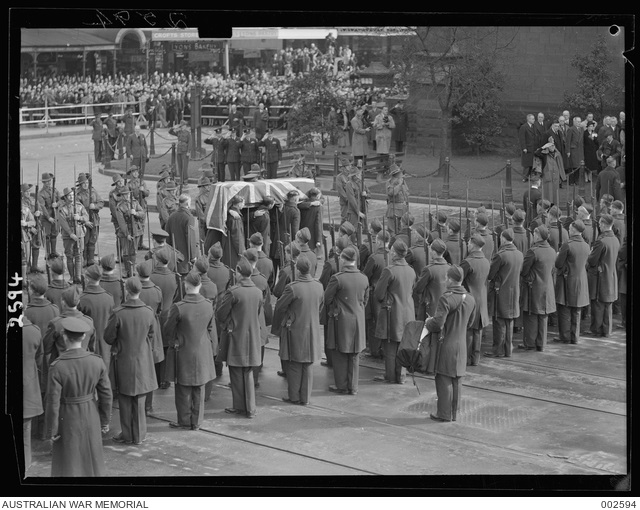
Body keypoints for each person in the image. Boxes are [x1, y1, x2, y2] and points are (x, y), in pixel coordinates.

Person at [45, 317, 112, 477]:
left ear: (65, 337)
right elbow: (106, 395)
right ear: (83, 337)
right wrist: (104, 421)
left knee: (68, 463)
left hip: (66, 417)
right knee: (93, 460)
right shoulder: (97, 362)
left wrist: (52, 431)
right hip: (91, 414)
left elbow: (52, 403)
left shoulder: (57, 366)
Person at [104, 276, 158, 445]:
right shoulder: (148, 312)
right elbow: (151, 333)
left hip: (124, 360)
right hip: (143, 360)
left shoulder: (119, 313)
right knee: (140, 399)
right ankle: (140, 434)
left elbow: (108, 337)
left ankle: (127, 434)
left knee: (125, 399)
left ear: (126, 291)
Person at [164, 272, 216, 430]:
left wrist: (175, 340)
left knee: (183, 388)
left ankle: (184, 420)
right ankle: (196, 421)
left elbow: (168, 329)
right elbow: (211, 328)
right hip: (202, 351)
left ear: (186, 286)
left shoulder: (179, 307)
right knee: (199, 387)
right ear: (199, 285)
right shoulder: (208, 304)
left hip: (183, 351)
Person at [425, 265, 476, 422]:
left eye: (447, 277)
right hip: (461, 343)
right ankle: (455, 412)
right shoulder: (471, 299)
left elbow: (438, 324)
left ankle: (444, 413)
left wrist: (428, 321)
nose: (445, 280)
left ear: (452, 280)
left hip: (446, 343)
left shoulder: (446, 298)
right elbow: (471, 322)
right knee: (457, 379)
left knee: (444, 377)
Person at [272, 255, 324, 405]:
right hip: (312, 328)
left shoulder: (293, 288)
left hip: (295, 329)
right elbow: (321, 305)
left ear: (298, 270)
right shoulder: (318, 286)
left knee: (294, 363)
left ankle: (294, 396)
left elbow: (280, 306)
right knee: (308, 364)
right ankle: (305, 397)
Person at [217, 256, 263, 419]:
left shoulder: (233, 292)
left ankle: (239, 406)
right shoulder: (258, 292)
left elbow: (220, 314)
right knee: (249, 372)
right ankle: (250, 408)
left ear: (238, 272)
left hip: (236, 335)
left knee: (236, 372)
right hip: (252, 337)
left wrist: (228, 322)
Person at [323, 246, 369, 395]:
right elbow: (365, 300)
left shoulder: (337, 278)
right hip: (358, 319)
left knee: (340, 353)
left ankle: (342, 385)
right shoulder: (363, 278)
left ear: (343, 259)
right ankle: (353, 386)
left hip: (341, 320)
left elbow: (327, 298)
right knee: (355, 354)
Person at [373, 240, 415, 385]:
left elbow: (378, 294)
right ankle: (401, 375)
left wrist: (387, 299)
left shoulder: (389, 270)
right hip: (407, 312)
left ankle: (391, 376)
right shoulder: (411, 270)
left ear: (394, 253)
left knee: (390, 347)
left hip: (392, 312)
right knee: (402, 345)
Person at [484, 228, 523, 358]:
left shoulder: (501, 255)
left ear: (504, 238)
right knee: (509, 321)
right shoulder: (519, 254)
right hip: (514, 291)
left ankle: (498, 349)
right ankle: (507, 348)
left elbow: (490, 274)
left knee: (499, 321)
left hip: (500, 292)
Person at [518, 224, 556, 352]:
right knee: (543, 316)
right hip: (547, 287)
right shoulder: (551, 250)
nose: (533, 237)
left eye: (534, 234)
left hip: (533, 287)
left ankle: (530, 343)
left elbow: (524, 270)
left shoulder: (533, 251)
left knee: (531, 316)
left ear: (538, 236)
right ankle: (541, 343)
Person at [552, 219, 590, 345]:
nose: (568, 230)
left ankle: (565, 336)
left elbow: (558, 264)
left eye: (570, 229)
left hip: (567, 280)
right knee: (576, 310)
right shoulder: (586, 245)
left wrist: (558, 255)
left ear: (574, 230)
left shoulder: (567, 245)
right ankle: (575, 336)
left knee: (564, 310)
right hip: (581, 280)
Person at [584, 214, 620, 338]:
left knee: (598, 305)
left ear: (604, 224)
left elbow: (592, 260)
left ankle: (596, 329)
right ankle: (606, 329)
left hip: (600, 277)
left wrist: (589, 256)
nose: (599, 225)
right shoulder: (615, 239)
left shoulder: (601, 241)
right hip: (611, 276)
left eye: (600, 223)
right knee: (607, 306)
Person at [77, 264, 115, 373]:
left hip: (88, 342)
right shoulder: (109, 297)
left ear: (88, 278)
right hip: (105, 343)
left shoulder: (83, 299)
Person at [460, 235, 490, 366]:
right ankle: (475, 358)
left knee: (467, 329)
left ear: (472, 245)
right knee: (477, 329)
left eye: (468, 243)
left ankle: (465, 358)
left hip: (469, 298)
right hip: (482, 298)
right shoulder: (486, 261)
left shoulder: (467, 262)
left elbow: (458, 279)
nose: (467, 245)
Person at [22, 316, 43, 472]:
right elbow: (39, 357)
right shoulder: (34, 331)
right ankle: (25, 461)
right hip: (27, 385)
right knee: (25, 429)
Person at [57, 186, 89, 284]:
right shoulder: (62, 209)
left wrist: (79, 218)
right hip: (68, 236)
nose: (71, 197)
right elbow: (63, 222)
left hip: (79, 234)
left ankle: (78, 276)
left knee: (79, 255)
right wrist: (71, 234)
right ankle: (71, 277)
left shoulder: (79, 206)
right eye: (69, 196)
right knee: (70, 256)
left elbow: (86, 217)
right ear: (65, 198)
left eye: (72, 195)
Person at [414, 238, 450, 323]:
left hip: (430, 308)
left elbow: (418, 289)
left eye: (430, 249)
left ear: (434, 252)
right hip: (445, 307)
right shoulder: (449, 268)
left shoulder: (429, 269)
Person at [113, 185, 144, 278]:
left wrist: (136, 213)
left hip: (136, 230)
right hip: (125, 232)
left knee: (134, 251)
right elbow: (121, 222)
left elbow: (142, 213)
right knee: (126, 252)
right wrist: (127, 234)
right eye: (124, 195)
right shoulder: (120, 207)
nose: (126, 196)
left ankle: (132, 269)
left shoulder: (135, 203)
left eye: (127, 194)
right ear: (121, 196)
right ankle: (127, 270)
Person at [166, 194, 198, 276]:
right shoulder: (189, 217)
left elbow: (167, 236)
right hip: (185, 256)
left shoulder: (172, 216)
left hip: (173, 254)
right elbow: (191, 239)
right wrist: (193, 256)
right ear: (188, 204)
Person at [75, 173, 103, 267]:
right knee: (85, 240)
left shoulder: (93, 191)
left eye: (87, 183)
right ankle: (85, 259)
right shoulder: (77, 195)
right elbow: (77, 210)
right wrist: (85, 221)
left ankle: (91, 259)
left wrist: (95, 206)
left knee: (93, 239)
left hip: (94, 218)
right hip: (83, 221)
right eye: (83, 183)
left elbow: (101, 202)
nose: (86, 185)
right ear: (80, 184)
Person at [37, 172, 61, 257]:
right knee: (47, 236)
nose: (49, 183)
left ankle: (53, 252)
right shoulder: (41, 193)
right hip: (46, 218)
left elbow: (61, 200)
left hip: (55, 216)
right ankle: (47, 254)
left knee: (54, 234)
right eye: (46, 181)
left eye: (49, 181)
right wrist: (48, 217)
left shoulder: (55, 190)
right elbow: (42, 207)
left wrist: (57, 204)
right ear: (43, 182)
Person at [127, 166, 149, 251]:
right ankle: (135, 243)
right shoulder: (129, 184)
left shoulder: (142, 182)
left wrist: (143, 190)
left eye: (136, 171)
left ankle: (141, 243)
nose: (136, 173)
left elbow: (147, 193)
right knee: (135, 225)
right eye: (133, 172)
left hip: (142, 205)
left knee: (142, 225)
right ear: (131, 174)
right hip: (134, 206)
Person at [373, 105, 396, 179]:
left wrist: (388, 124)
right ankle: (379, 170)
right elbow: (374, 126)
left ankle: (386, 169)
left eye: (387, 110)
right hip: (380, 137)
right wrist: (381, 124)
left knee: (386, 153)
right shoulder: (377, 117)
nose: (386, 111)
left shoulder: (390, 117)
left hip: (387, 138)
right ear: (382, 110)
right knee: (380, 154)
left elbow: (393, 125)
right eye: (385, 110)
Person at [385, 165, 409, 235]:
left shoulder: (402, 181)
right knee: (392, 231)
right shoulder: (389, 182)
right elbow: (392, 193)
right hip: (393, 208)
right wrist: (399, 185)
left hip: (402, 208)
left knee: (402, 230)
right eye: (399, 173)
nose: (401, 175)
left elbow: (406, 193)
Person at [169, 120, 193, 185]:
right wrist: (174, 127)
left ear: (185, 126)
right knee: (180, 166)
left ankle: (185, 179)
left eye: (183, 126)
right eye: (181, 126)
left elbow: (190, 143)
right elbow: (170, 132)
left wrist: (188, 151)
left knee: (184, 166)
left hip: (185, 151)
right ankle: (181, 179)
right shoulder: (178, 132)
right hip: (179, 150)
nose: (182, 127)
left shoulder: (188, 133)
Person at [566, 116, 584, 181]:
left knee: (579, 165)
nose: (579, 123)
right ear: (574, 122)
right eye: (577, 122)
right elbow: (568, 141)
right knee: (573, 165)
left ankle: (576, 180)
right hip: (573, 149)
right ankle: (571, 180)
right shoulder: (571, 129)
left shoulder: (582, 129)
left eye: (580, 122)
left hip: (580, 150)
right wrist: (568, 151)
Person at [195, 176, 212, 248]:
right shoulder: (199, 198)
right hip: (205, 224)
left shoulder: (212, 195)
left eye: (208, 185)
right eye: (207, 185)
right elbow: (200, 214)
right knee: (204, 242)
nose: (208, 187)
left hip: (209, 223)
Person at [518, 114, 536, 181]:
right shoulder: (524, 127)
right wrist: (524, 148)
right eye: (532, 119)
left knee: (532, 164)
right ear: (528, 119)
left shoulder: (533, 127)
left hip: (533, 148)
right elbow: (522, 138)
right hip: (527, 148)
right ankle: (525, 177)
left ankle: (530, 176)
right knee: (526, 164)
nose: (534, 120)